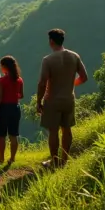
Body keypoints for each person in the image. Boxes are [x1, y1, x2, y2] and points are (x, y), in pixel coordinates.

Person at [36, 28, 88, 168]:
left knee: (53, 131)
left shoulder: (48, 60)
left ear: (51, 41)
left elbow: (42, 83)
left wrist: (39, 101)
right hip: (69, 99)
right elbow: (84, 77)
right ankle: (64, 161)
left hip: (52, 100)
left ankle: (54, 161)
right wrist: (71, 84)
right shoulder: (74, 56)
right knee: (67, 129)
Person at [0, 56, 24, 165]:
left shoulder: (1, 81)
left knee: (1, 135)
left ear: (5, 67)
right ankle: (12, 158)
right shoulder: (19, 80)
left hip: (3, 108)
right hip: (15, 108)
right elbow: (21, 95)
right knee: (13, 135)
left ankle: (1, 158)